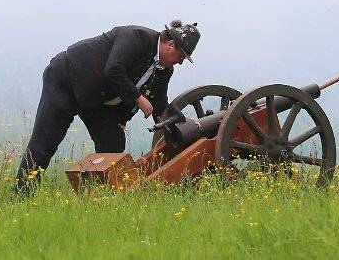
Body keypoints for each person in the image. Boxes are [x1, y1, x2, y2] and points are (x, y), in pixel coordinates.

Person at [15, 20, 200, 193]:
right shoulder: (136, 37)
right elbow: (114, 70)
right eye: (181, 56)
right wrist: (138, 98)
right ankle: (22, 195)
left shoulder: (165, 70)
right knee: (44, 144)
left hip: (97, 101)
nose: (181, 62)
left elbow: (158, 103)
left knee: (113, 142)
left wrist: (180, 125)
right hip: (66, 79)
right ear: (170, 45)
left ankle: (98, 196)